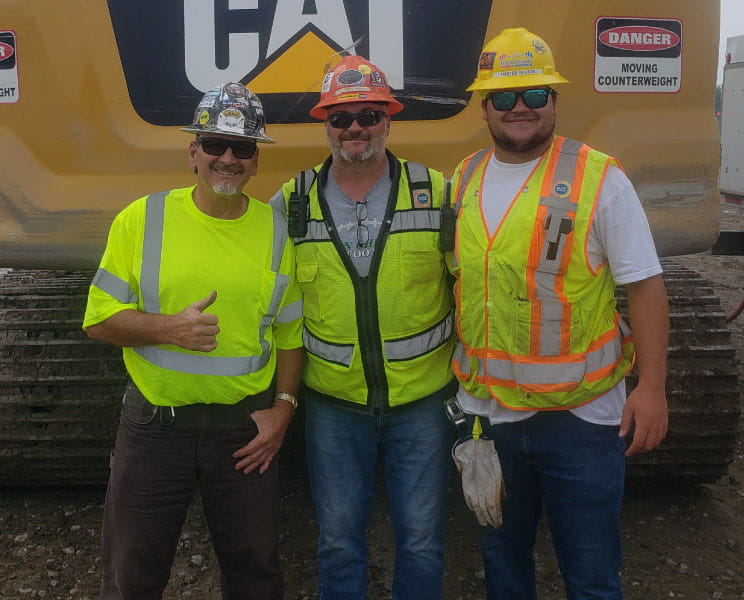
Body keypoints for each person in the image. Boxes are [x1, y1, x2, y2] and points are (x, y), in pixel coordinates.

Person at [448, 27, 669, 599]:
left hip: (582, 420)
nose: (519, 109)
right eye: (503, 97)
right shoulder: (463, 179)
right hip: (491, 416)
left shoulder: (601, 179)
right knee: (504, 568)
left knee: (592, 576)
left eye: (535, 95)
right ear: (484, 106)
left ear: (554, 100)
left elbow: (644, 285)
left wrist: (653, 388)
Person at [83, 82, 304, 600]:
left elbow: (291, 333)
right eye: (214, 144)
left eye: (242, 148)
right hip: (155, 427)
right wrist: (168, 329)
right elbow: (98, 321)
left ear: (256, 162)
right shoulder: (143, 218)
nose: (227, 158)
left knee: (255, 571)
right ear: (193, 153)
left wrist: (284, 410)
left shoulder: (276, 233)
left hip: (242, 431)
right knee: (132, 573)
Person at [270, 55, 455, 599]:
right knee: (337, 540)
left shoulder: (436, 191)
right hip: (333, 403)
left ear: (389, 120)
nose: (355, 128)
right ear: (324, 124)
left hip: (422, 401)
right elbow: (268, 299)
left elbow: (471, 289)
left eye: (369, 115)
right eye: (341, 117)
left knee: (421, 539)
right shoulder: (291, 201)